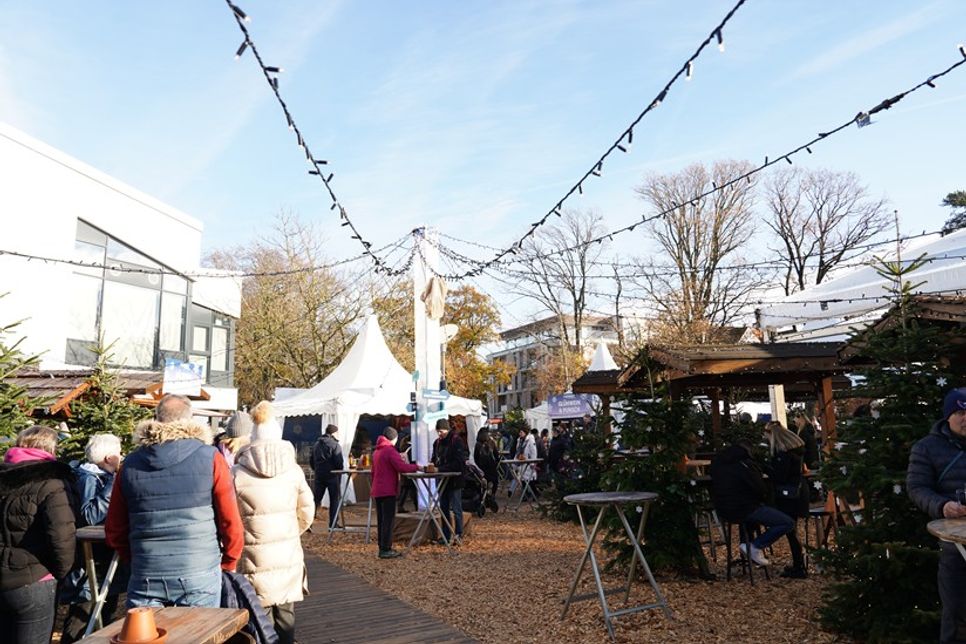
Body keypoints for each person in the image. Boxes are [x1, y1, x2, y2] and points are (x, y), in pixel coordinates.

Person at [105, 394, 244, 607]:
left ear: (156, 419)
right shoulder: (210, 457)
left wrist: (136, 559)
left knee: (147, 639)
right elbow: (230, 520)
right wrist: (229, 560)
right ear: (190, 420)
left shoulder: (130, 464)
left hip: (146, 571)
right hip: (199, 569)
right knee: (200, 638)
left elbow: (114, 528)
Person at [232, 401, 314, 644]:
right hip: (287, 552)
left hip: (252, 554)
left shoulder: (236, 473)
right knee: (286, 614)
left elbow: (229, 516)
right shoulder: (294, 470)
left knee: (258, 617)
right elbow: (307, 511)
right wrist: (291, 530)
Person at [0, 425, 76, 643]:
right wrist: (60, 574)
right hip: (35, 578)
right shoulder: (53, 483)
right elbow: (62, 537)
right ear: (51, 449)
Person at [907, 388, 966, 643]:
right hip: (954, 539)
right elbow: (916, 488)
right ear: (948, 415)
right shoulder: (926, 448)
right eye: (961, 412)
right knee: (956, 610)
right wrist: (942, 506)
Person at [60, 433, 126, 643]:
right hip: (90, 563)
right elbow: (89, 515)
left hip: (106, 556)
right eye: (119, 454)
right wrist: (114, 483)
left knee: (109, 610)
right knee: (84, 612)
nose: (122, 457)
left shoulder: (100, 477)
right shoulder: (89, 477)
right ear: (109, 458)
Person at [709, 439, 795, 567]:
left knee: (752, 520)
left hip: (723, 509)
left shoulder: (718, 465)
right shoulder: (745, 465)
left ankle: (749, 547)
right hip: (746, 507)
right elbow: (760, 489)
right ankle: (754, 546)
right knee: (787, 522)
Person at [763, 421, 808, 579]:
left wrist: (765, 468)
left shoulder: (783, 455)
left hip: (787, 496)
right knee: (792, 530)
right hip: (797, 493)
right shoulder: (796, 451)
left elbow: (779, 477)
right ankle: (798, 564)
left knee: (790, 530)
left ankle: (799, 566)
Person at [371, 427, 422, 558]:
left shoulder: (377, 451)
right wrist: (418, 467)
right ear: (394, 438)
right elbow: (402, 467)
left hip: (377, 489)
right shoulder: (389, 450)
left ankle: (382, 547)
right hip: (388, 489)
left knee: (381, 520)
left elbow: (373, 472)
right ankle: (386, 548)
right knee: (388, 520)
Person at [436, 419, 468, 545]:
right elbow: (435, 457)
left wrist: (441, 468)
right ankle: (445, 534)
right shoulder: (437, 443)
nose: (440, 434)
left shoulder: (457, 441)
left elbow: (459, 463)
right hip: (442, 480)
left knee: (456, 508)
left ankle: (459, 534)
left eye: (441, 431)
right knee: (443, 509)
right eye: (438, 431)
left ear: (447, 429)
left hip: (455, 481)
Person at [310, 424, 344, 529]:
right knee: (334, 500)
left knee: (315, 500)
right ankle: (333, 524)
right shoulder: (335, 445)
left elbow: (311, 460)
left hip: (319, 475)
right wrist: (339, 471)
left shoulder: (316, 444)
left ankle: (308, 523)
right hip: (332, 475)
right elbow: (339, 462)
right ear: (334, 433)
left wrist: (317, 470)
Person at [473, 428, 499, 499]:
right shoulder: (491, 442)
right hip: (491, 466)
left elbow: (475, 457)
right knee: (495, 481)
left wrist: (479, 465)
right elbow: (496, 454)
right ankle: (492, 495)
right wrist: (496, 463)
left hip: (482, 467)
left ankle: (484, 497)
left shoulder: (478, 444)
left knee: (483, 483)